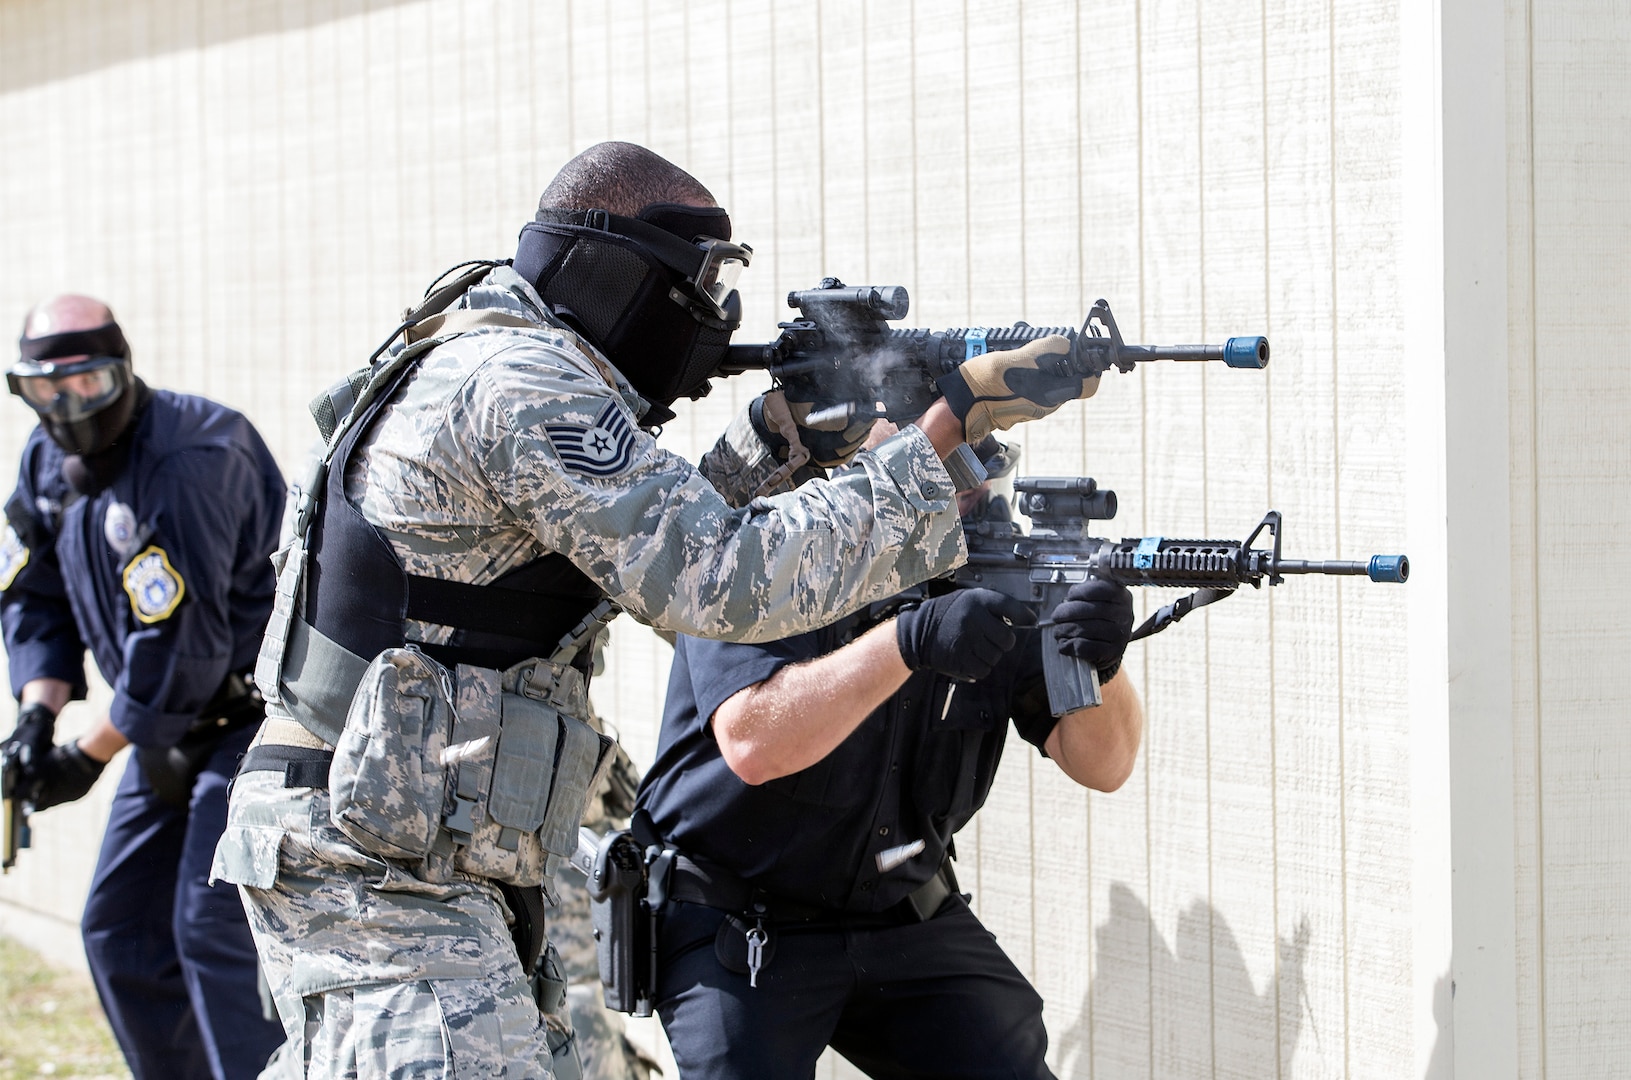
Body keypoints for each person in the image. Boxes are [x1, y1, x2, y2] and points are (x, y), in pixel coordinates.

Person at [213, 140, 1108, 1079]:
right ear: (609, 269)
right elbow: (720, 577)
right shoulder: (519, 382)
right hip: (381, 864)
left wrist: (776, 438)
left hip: (415, 849)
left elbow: (629, 540)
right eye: (700, 284)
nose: (713, 318)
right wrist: (944, 430)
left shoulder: (492, 357)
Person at [635, 438, 1144, 1080]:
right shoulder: (766, 546)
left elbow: (1105, 764)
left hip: (899, 910)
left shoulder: (992, 570)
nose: (974, 497)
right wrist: (909, 641)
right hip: (738, 919)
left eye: (985, 477)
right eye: (949, 470)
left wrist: (1102, 662)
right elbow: (754, 743)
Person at [0, 295, 287, 1079]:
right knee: (118, 928)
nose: (66, 408)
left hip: (250, 725)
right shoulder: (44, 462)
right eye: (42, 391)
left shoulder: (190, 461)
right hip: (159, 729)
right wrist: (37, 715)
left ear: (123, 371)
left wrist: (82, 758)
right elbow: (35, 595)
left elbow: (179, 652)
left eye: (85, 385)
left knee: (211, 928)